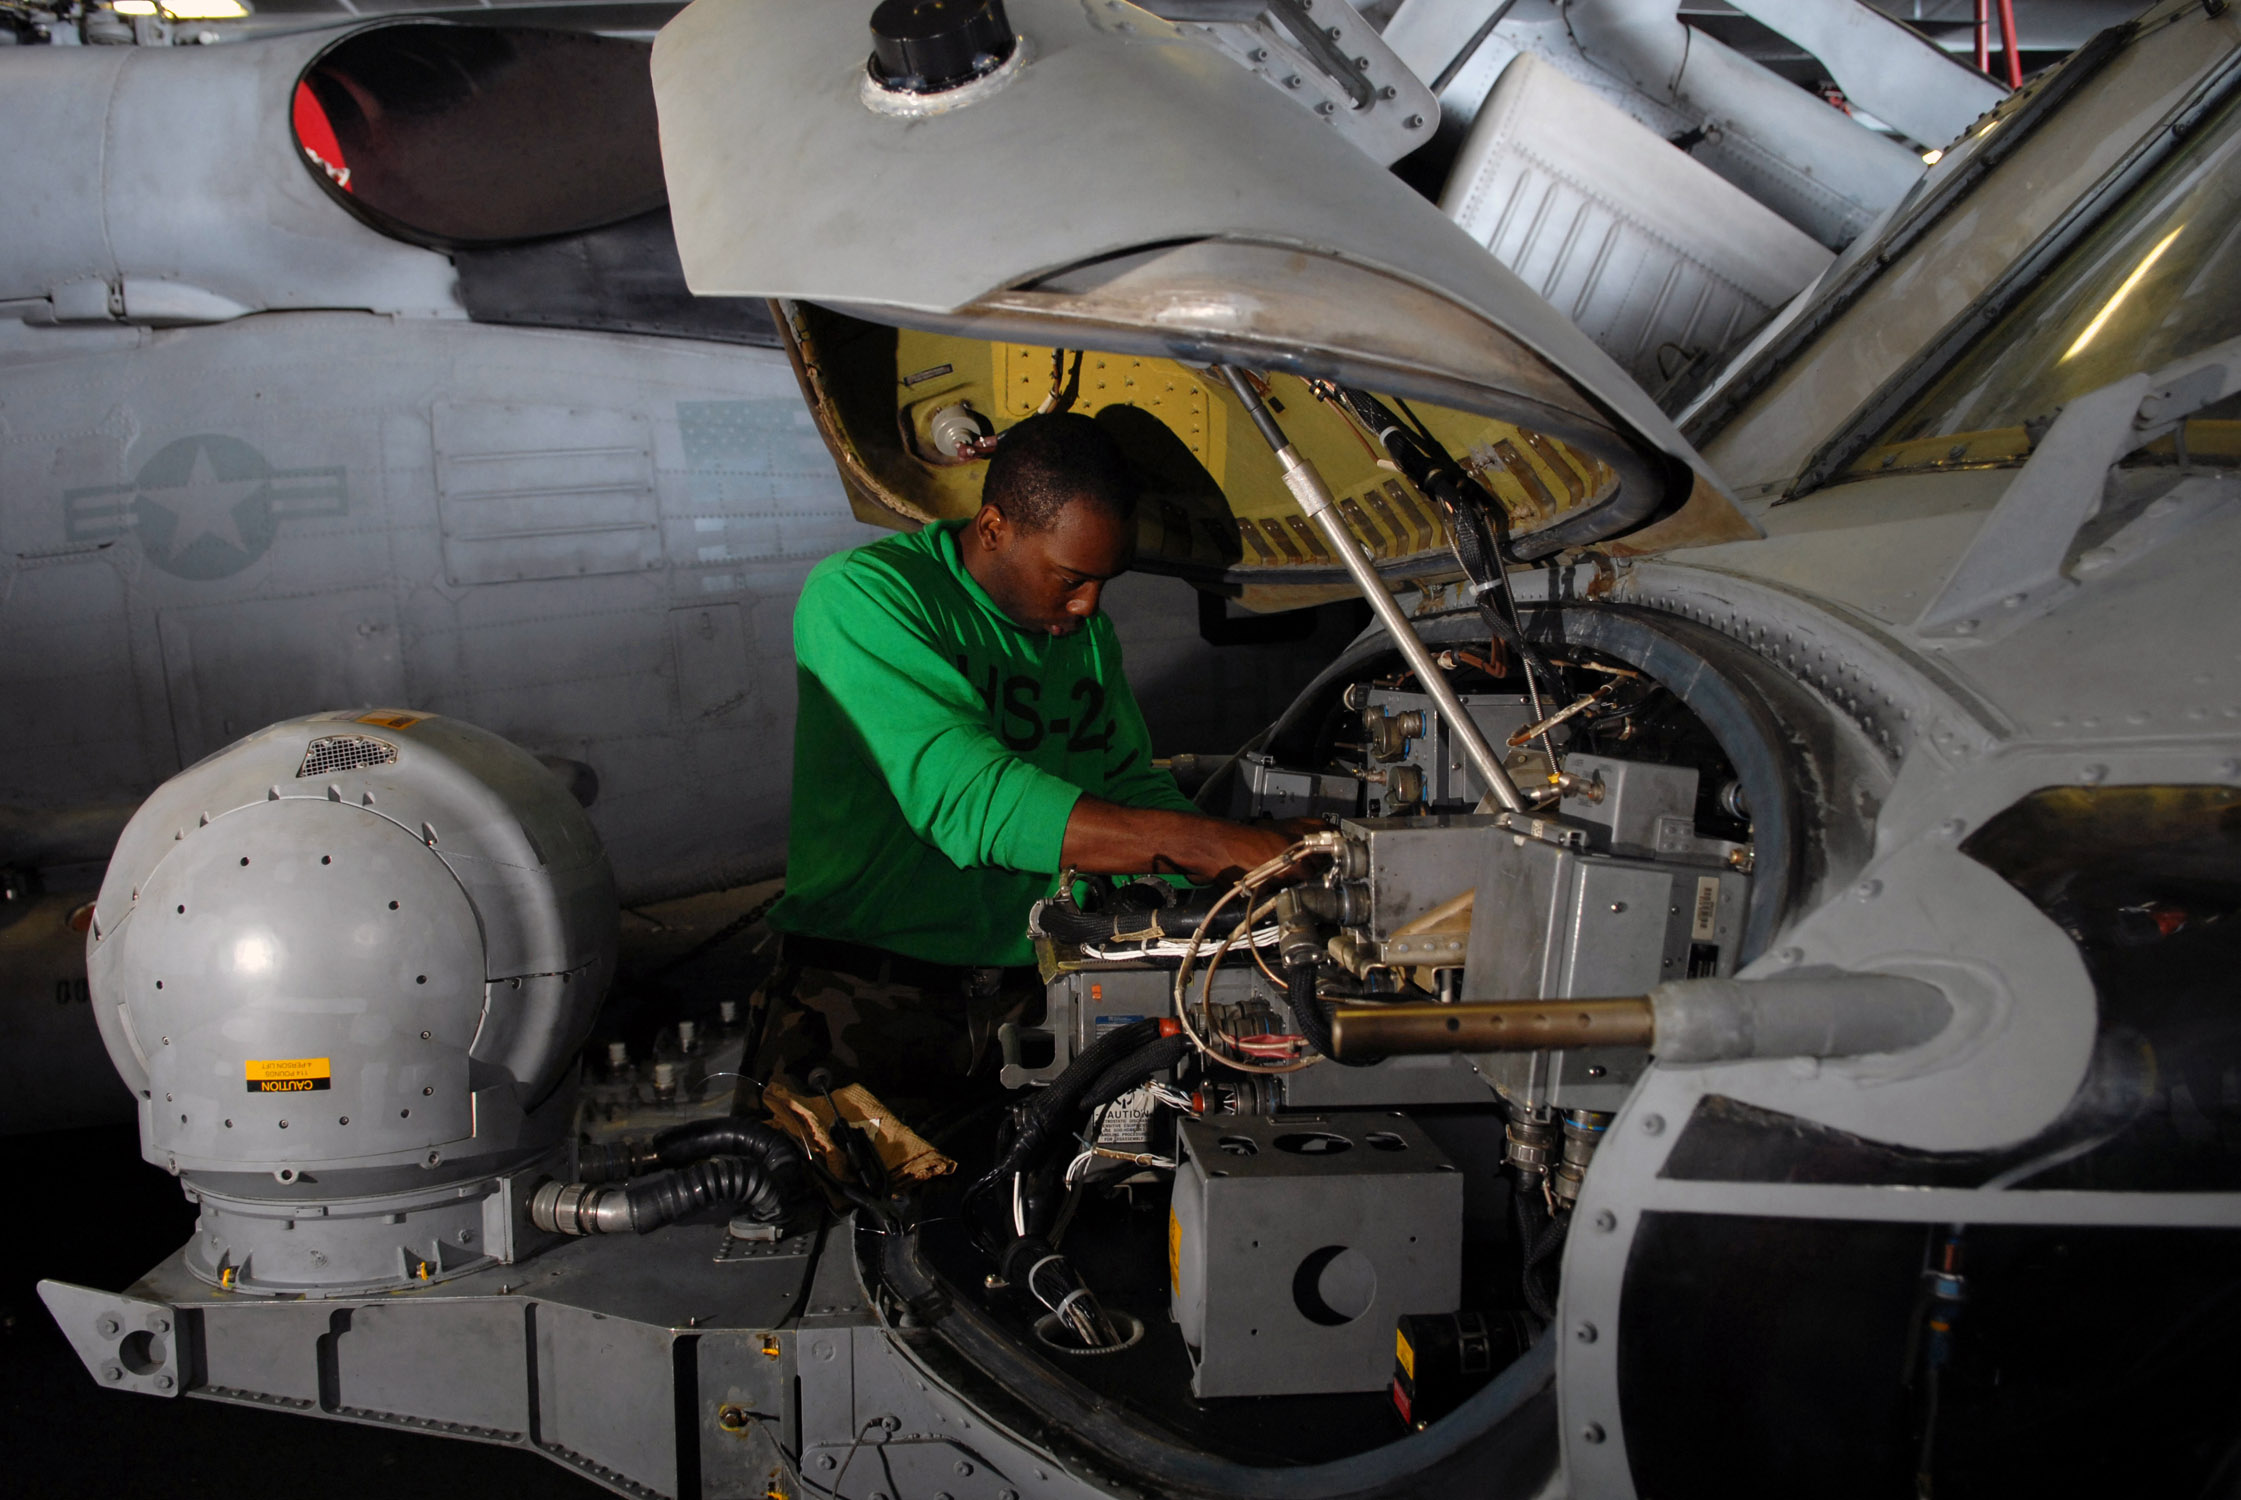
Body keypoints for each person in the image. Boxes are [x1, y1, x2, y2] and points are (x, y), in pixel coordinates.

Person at [752, 412, 1295, 1122]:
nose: (1089, 605)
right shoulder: (867, 597)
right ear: (992, 528)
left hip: (1025, 997)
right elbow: (968, 800)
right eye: (1070, 578)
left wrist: (1247, 882)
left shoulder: (1081, 635)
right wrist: (1210, 846)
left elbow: (1122, 784)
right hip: (865, 1004)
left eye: (1104, 582)